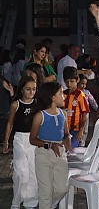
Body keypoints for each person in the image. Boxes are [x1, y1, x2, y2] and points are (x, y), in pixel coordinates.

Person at [29, 81, 72, 209]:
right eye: (61, 93)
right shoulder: (40, 116)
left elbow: (66, 133)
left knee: (62, 189)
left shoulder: (62, 114)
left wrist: (67, 141)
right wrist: (49, 145)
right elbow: (32, 139)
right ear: (53, 97)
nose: (64, 96)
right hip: (44, 155)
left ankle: (50, 205)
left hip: (60, 154)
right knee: (45, 192)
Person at [2, 76, 38, 209]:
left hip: (34, 139)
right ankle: (16, 202)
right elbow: (10, 123)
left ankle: (31, 202)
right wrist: (6, 142)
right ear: (22, 89)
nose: (31, 92)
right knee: (21, 173)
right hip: (19, 139)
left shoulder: (37, 104)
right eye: (28, 89)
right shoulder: (15, 104)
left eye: (34, 89)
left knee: (33, 172)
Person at [63, 66, 90, 148]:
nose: (69, 84)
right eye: (67, 82)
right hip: (64, 129)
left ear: (77, 80)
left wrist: (81, 130)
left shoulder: (80, 95)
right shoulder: (63, 94)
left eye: (72, 81)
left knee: (72, 149)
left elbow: (85, 114)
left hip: (75, 130)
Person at [78, 74, 98, 147]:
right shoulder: (75, 93)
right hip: (78, 113)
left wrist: (98, 109)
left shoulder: (87, 92)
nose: (83, 86)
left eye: (85, 84)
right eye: (82, 84)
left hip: (86, 113)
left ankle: (82, 144)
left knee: (85, 130)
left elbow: (93, 102)